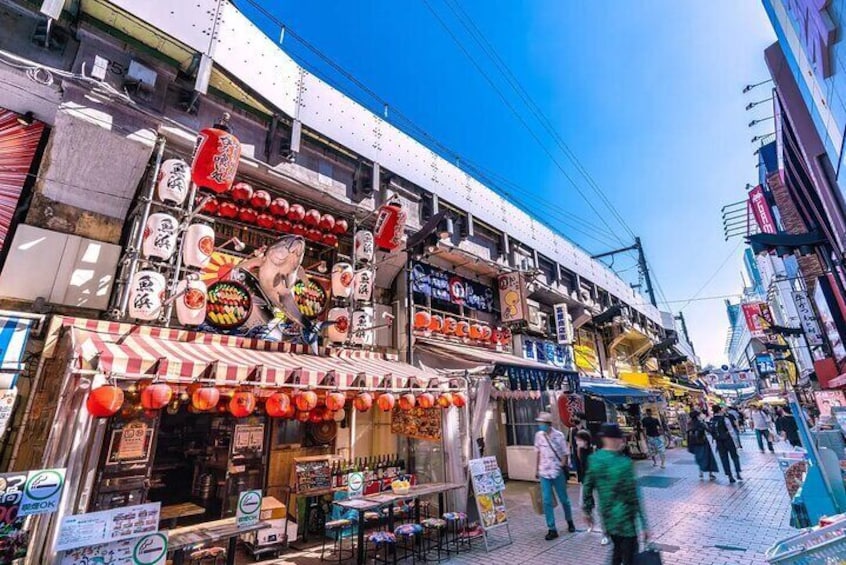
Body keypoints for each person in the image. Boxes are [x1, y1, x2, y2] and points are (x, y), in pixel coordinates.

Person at [582, 423, 649, 565]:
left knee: (617, 550)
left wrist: (587, 511)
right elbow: (634, 497)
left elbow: (587, 487)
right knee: (629, 556)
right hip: (626, 521)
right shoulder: (624, 464)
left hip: (607, 518)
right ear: (616, 439)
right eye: (621, 438)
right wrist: (644, 524)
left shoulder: (594, 460)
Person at [534, 411, 575, 540]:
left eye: (542, 423)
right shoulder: (539, 436)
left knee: (564, 499)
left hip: (557, 472)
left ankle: (569, 521)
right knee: (546, 500)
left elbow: (565, 453)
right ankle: (552, 528)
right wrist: (536, 469)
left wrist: (562, 465)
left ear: (548, 424)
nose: (540, 425)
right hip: (544, 473)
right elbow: (538, 452)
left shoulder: (559, 436)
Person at [710, 405, 743, 483]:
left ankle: (729, 476)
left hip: (719, 442)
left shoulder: (711, 420)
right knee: (734, 457)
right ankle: (738, 473)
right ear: (719, 410)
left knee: (724, 459)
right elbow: (731, 431)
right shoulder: (724, 419)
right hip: (728, 440)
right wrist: (736, 443)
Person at [687, 410, 718, 480]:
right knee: (709, 458)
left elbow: (688, 435)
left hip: (694, 444)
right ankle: (710, 474)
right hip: (703, 442)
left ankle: (701, 473)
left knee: (699, 458)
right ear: (697, 416)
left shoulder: (690, 424)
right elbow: (709, 430)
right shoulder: (700, 423)